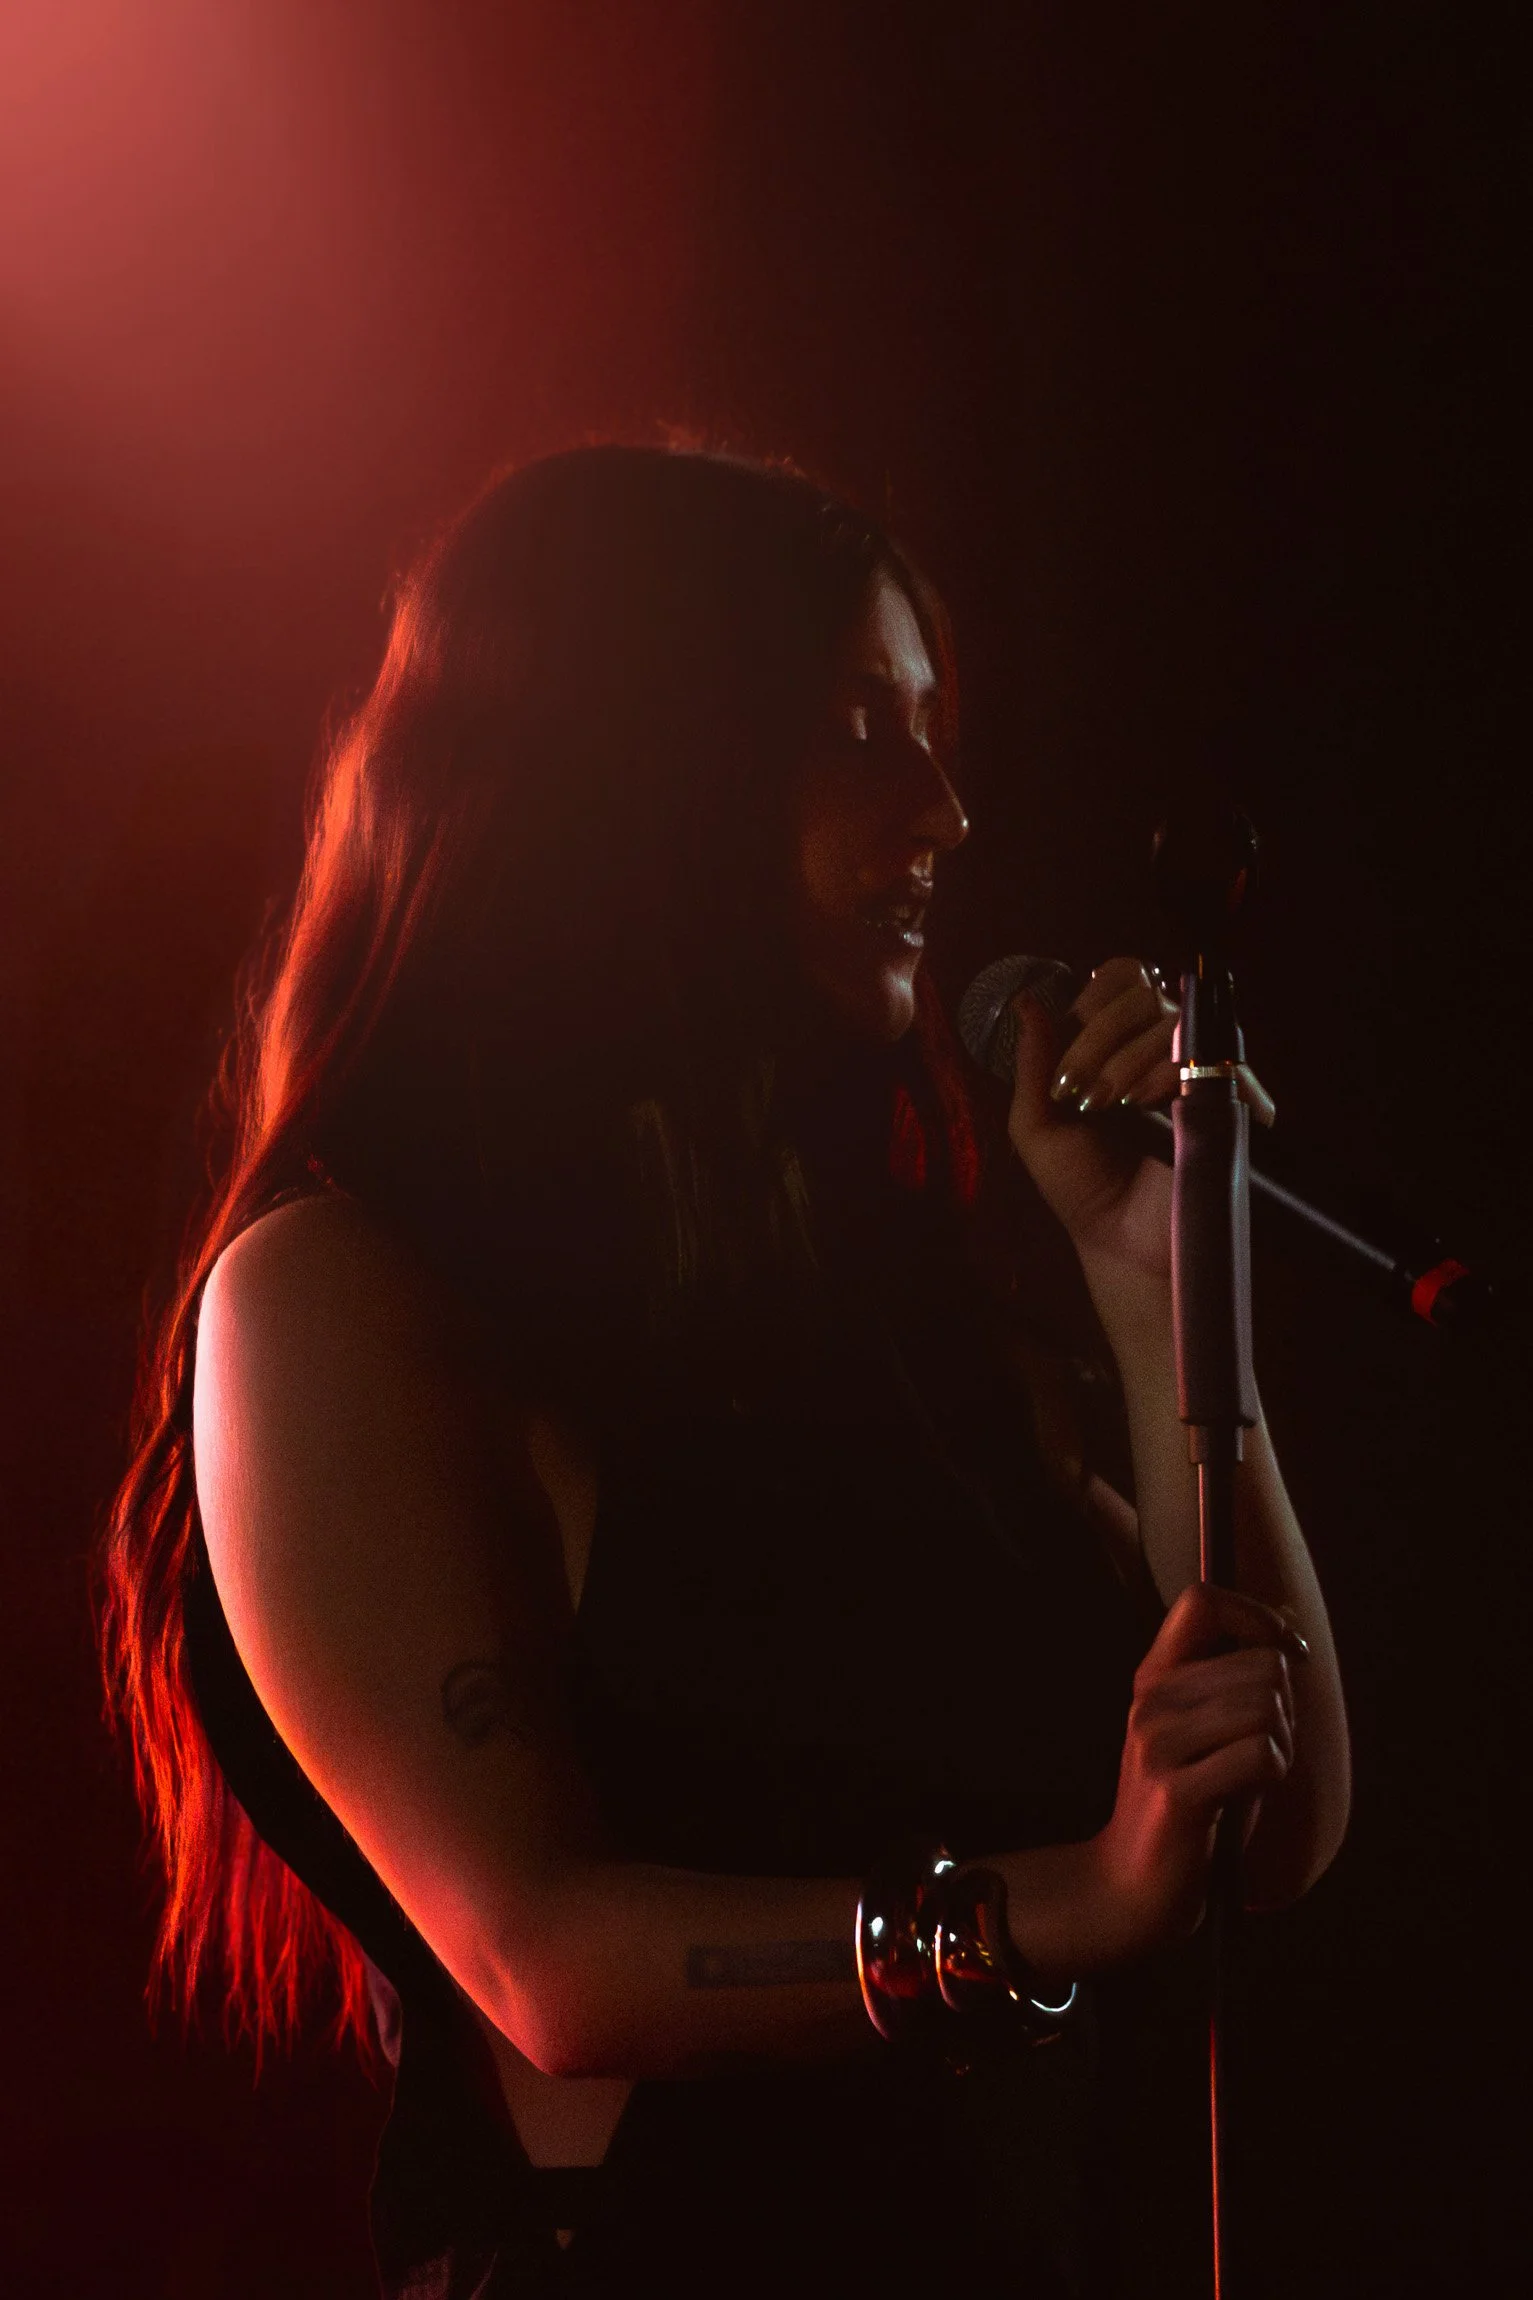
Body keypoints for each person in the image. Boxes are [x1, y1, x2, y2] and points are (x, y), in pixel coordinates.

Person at [101, 443, 1349, 2298]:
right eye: (860, 731)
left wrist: (1155, 1287)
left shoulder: (893, 1310)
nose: (944, 808)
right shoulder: (339, 1296)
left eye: (929, 728)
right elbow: (542, 1953)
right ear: (635, 776)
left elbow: (1270, 1822)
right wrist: (1072, 1899)